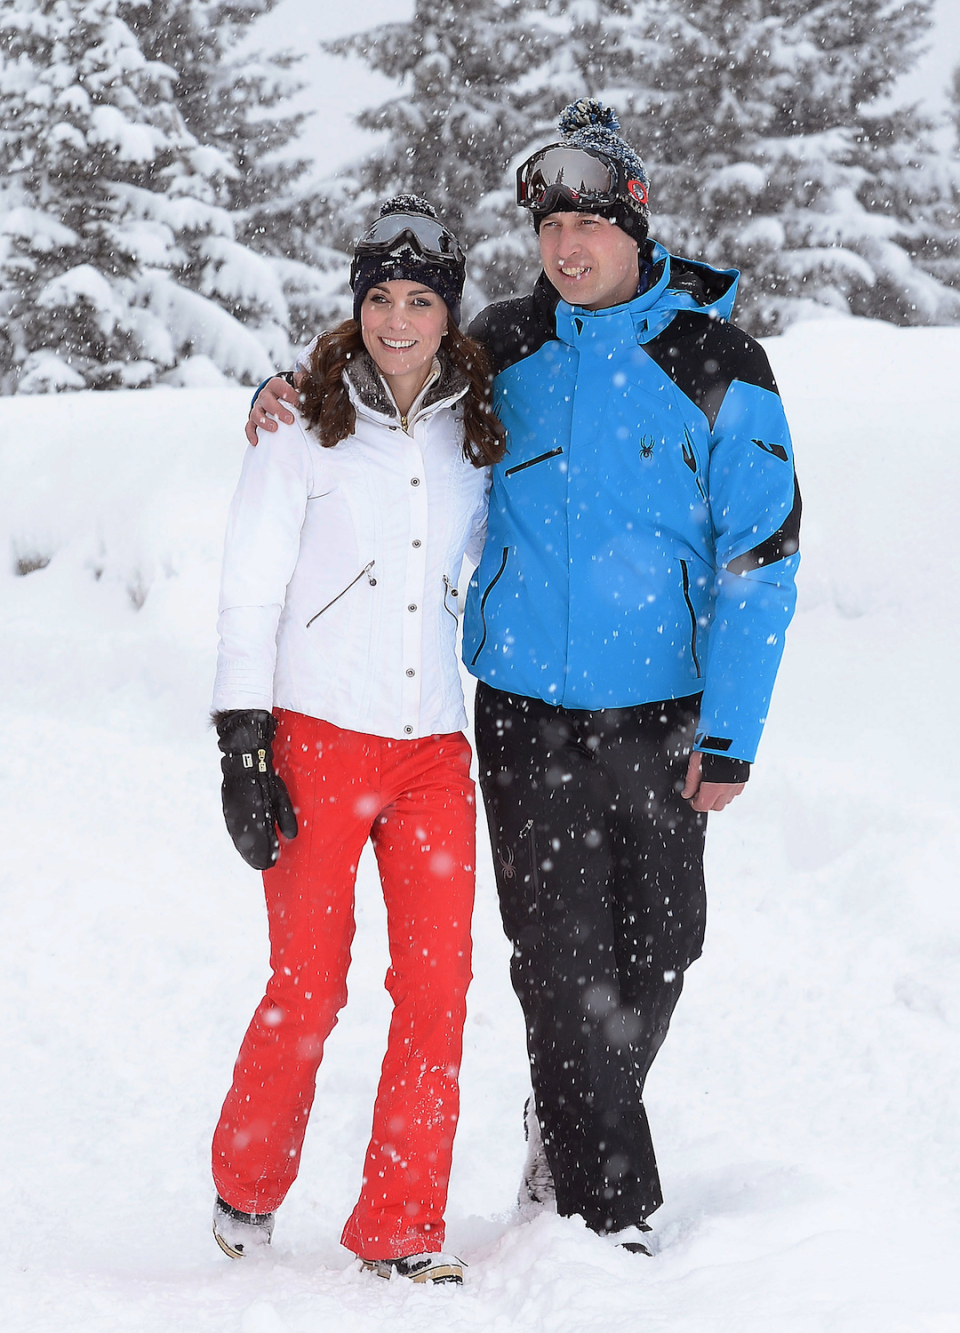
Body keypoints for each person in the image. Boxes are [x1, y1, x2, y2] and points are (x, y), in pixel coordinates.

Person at [247, 99, 800, 1255]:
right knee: (560, 961)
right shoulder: (501, 344)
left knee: (660, 951)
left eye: (588, 223)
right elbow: (383, 379)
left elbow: (764, 558)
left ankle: (573, 1115)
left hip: (664, 714)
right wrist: (277, 395)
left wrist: (735, 729)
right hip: (524, 717)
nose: (566, 247)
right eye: (549, 224)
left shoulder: (717, 362)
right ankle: (609, 1208)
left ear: (635, 224)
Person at [211, 195, 504, 1286]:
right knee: (311, 983)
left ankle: (401, 1221)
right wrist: (244, 741)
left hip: (434, 748)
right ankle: (246, 1175)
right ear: (355, 304)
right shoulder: (301, 422)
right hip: (317, 737)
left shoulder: (481, 423)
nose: (396, 318)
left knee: (436, 989)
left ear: (448, 313)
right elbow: (249, 589)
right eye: (380, 295)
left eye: (419, 299)